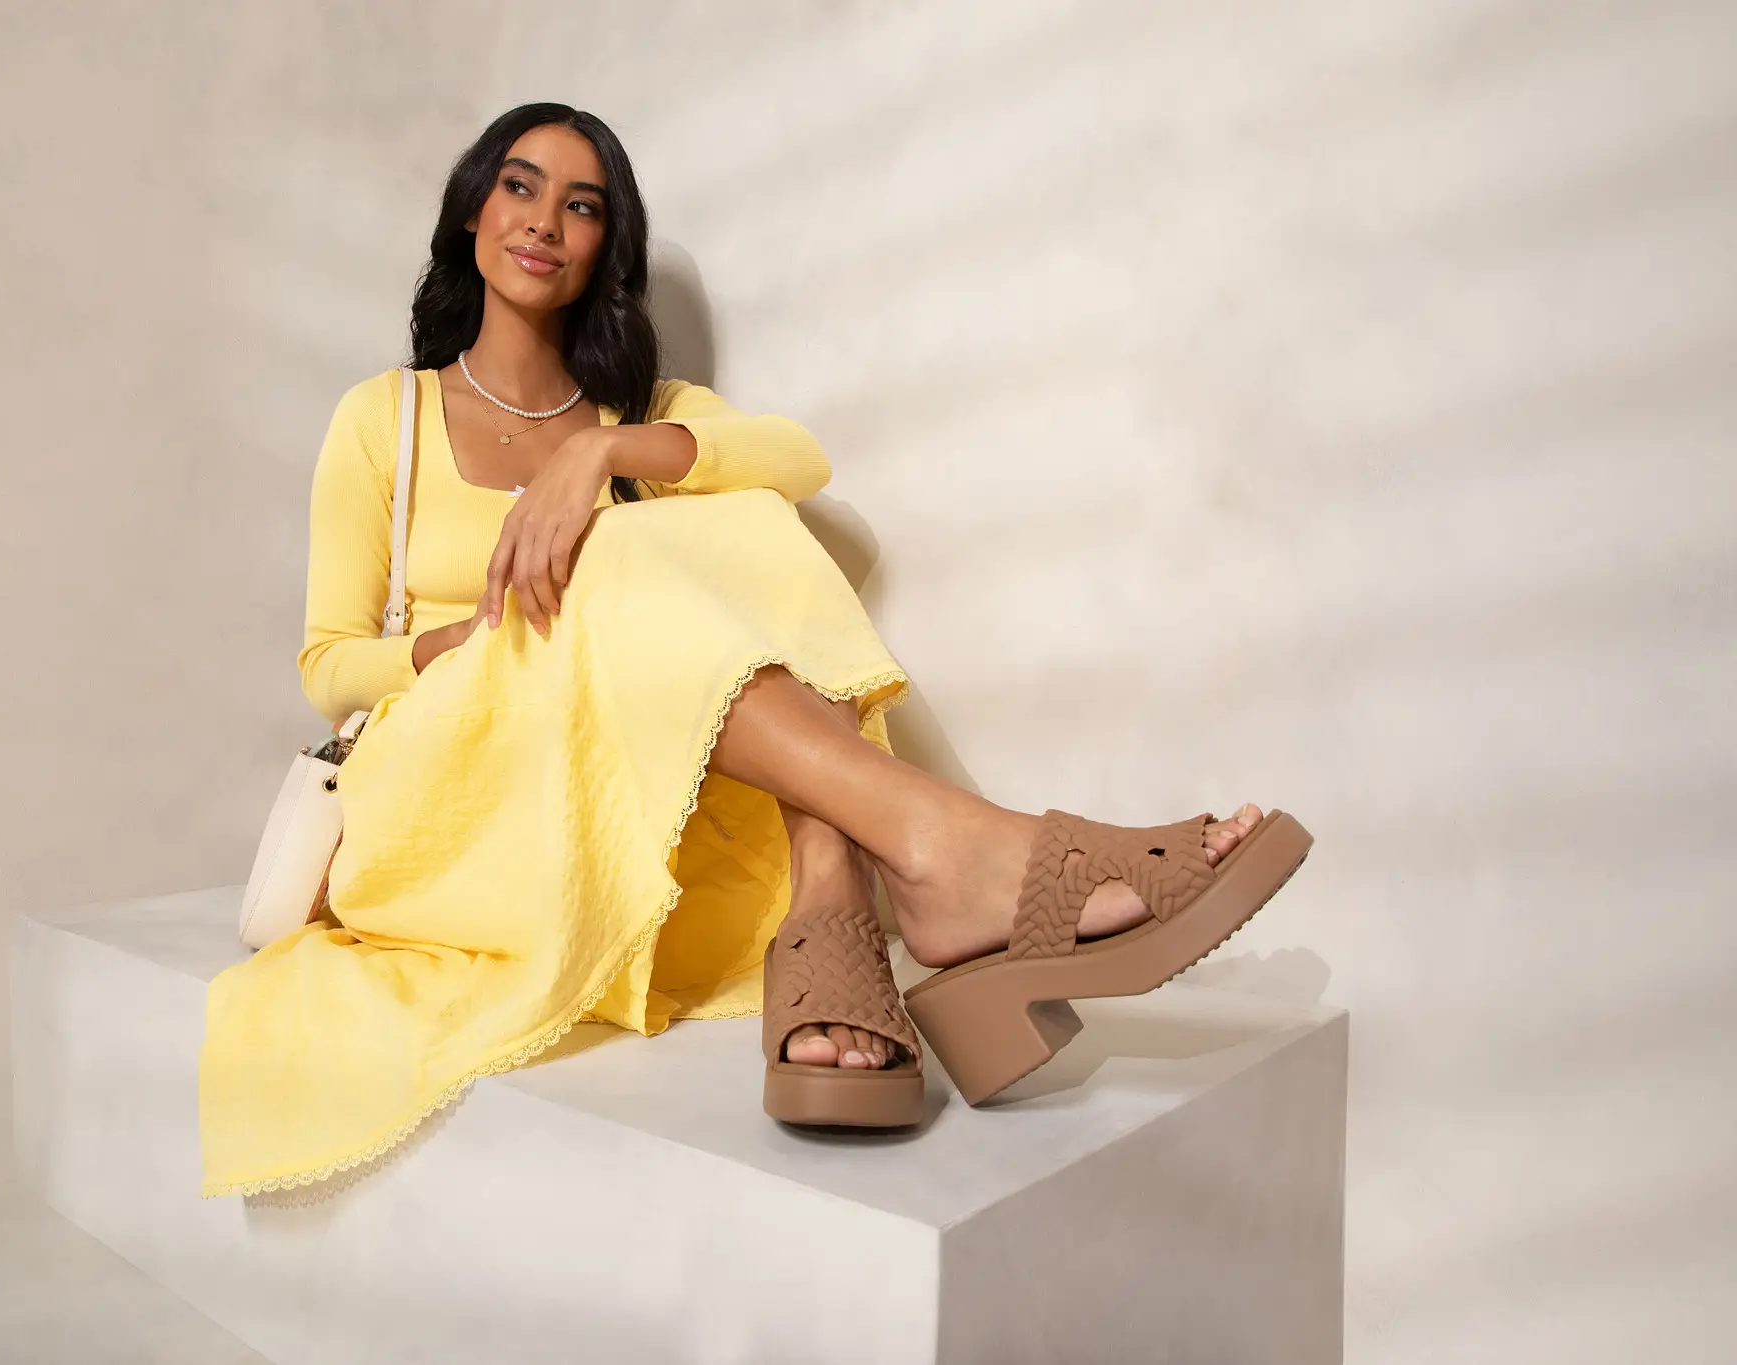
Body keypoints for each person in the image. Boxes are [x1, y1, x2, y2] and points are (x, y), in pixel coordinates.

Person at [196, 102, 1311, 1198]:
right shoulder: (382, 416)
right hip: (445, 801)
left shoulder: (643, 411)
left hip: (592, 801)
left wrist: (599, 457)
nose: (543, 220)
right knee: (630, 553)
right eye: (518, 186)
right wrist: (465, 643)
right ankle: (945, 854)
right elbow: (328, 663)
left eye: (581, 206)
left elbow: (797, 457)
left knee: (746, 518)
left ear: (604, 251)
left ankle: (835, 894)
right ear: (472, 214)